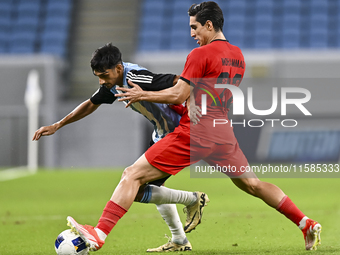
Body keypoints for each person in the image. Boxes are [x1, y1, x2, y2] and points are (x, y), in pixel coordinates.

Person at [65, 1, 321, 252]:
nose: (192, 34)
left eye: (195, 27)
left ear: (209, 25)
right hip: (222, 132)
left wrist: (143, 95)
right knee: (253, 185)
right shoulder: (238, 56)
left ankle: (99, 234)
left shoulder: (200, 54)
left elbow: (178, 94)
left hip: (196, 132)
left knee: (131, 175)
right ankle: (304, 222)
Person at [32, 43, 211, 252]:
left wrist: (190, 102)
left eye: (104, 75)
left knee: (132, 178)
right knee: (139, 188)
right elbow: (91, 103)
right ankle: (181, 236)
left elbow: (177, 81)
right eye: (97, 76)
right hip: (163, 134)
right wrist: (58, 124)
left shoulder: (135, 76)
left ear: (118, 68)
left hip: (179, 133)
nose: (101, 81)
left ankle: (101, 233)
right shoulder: (112, 84)